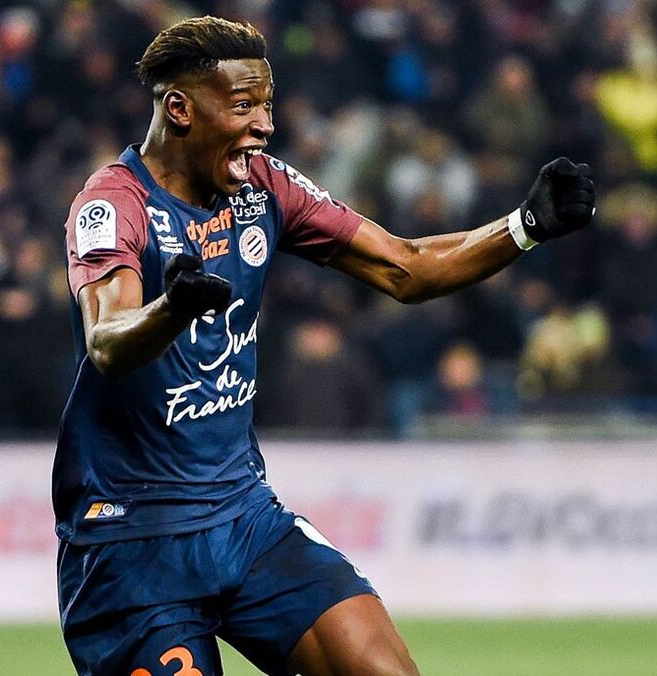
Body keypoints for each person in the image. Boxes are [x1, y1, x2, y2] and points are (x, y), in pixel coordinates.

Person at [54, 16, 595, 676]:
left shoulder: (263, 187)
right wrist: (173, 309)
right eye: (244, 106)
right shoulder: (114, 204)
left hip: (243, 518)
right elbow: (107, 342)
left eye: (268, 105)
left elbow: (405, 267)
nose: (265, 125)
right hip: (131, 543)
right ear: (180, 109)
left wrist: (525, 226)